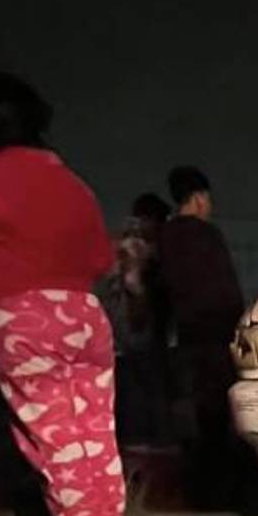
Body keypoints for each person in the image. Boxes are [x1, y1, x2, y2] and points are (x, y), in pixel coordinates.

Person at [0, 72, 125, 516]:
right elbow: (101, 256)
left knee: (52, 437)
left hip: (22, 315)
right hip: (84, 314)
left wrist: (4, 257)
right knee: (94, 429)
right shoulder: (73, 183)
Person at [158, 166, 245, 502]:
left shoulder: (166, 238)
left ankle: (203, 482)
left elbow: (164, 289)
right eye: (207, 199)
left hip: (188, 335)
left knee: (200, 411)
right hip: (218, 332)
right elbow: (228, 289)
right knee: (221, 409)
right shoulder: (208, 235)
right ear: (197, 198)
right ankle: (225, 484)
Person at [108, 192, 172, 451]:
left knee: (142, 382)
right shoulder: (142, 248)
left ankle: (146, 439)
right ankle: (156, 441)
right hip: (141, 322)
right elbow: (134, 285)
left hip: (133, 325)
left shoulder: (130, 245)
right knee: (151, 383)